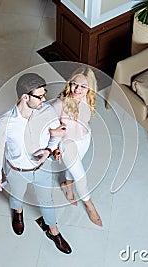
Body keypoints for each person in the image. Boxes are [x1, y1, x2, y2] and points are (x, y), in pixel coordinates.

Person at [0, 73, 72, 254]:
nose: (44, 99)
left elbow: (55, 136)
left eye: (45, 94)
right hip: (17, 170)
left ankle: (53, 231)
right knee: (17, 196)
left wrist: (49, 150)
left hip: (42, 167)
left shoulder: (47, 111)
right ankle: (18, 213)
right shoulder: (4, 123)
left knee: (47, 201)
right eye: (40, 96)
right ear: (25, 97)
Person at [51, 67, 103, 227]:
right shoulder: (59, 103)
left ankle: (67, 184)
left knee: (74, 166)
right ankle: (90, 206)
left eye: (83, 86)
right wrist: (54, 148)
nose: (77, 89)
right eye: (74, 84)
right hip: (67, 143)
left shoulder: (88, 99)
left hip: (84, 138)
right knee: (80, 176)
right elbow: (46, 126)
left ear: (89, 88)